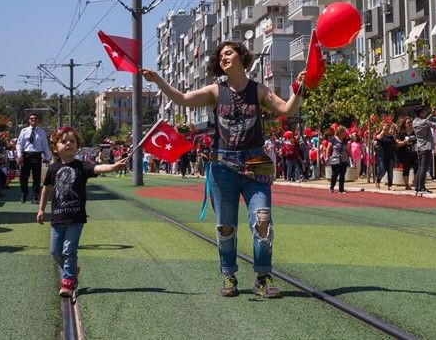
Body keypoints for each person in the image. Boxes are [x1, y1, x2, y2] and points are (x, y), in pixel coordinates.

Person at [141, 40, 306, 299]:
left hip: (256, 163)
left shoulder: (259, 90)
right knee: (225, 227)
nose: (223, 58)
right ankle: (229, 275)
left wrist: (299, 87)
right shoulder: (215, 91)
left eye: (228, 53)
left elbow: (287, 108)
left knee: (262, 221)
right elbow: (183, 99)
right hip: (222, 165)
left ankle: (262, 278)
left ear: (241, 56)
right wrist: (158, 80)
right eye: (220, 57)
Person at [37, 126, 126, 298]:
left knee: (69, 250)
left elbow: (97, 168)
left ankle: (68, 281)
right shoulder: (53, 169)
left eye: (72, 141)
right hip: (57, 217)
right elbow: (46, 189)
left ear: (77, 145)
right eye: (64, 141)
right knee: (55, 251)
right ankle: (73, 269)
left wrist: (113, 167)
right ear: (55, 147)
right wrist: (41, 209)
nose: (68, 144)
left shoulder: (81, 166)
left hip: (76, 218)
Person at [16, 113, 52, 203]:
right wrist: (19, 155)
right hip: (26, 155)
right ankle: (24, 194)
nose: (33, 120)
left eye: (35, 119)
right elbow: (19, 144)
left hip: (36, 156)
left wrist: (48, 157)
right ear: (29, 120)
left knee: (36, 177)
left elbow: (45, 146)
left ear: (38, 121)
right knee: (23, 177)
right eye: (31, 118)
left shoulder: (42, 132)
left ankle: (35, 197)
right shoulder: (24, 131)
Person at [412, 107, 436, 194]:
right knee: (424, 168)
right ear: (420, 114)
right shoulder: (424, 122)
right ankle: (421, 188)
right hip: (426, 147)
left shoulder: (415, 122)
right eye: (424, 112)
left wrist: (432, 114)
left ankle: (417, 187)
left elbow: (426, 120)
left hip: (419, 147)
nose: (425, 114)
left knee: (420, 167)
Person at [326, 125, 351, 194]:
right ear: (340, 132)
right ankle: (332, 187)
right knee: (334, 174)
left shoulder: (345, 140)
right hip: (335, 159)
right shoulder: (333, 139)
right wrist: (327, 157)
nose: (345, 133)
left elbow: (348, 149)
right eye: (343, 132)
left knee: (342, 175)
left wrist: (351, 157)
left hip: (344, 159)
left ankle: (341, 189)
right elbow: (328, 148)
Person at [395, 117, 417, 191]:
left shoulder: (415, 132)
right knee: (406, 169)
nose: (410, 124)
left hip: (414, 153)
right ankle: (407, 185)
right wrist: (404, 142)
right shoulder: (401, 133)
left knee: (417, 167)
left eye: (410, 122)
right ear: (404, 124)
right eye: (408, 122)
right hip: (404, 153)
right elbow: (397, 143)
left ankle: (415, 183)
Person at [375, 122, 397, 191]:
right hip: (381, 156)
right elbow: (378, 137)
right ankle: (377, 180)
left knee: (390, 171)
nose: (387, 126)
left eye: (388, 125)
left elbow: (395, 143)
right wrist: (383, 130)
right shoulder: (379, 134)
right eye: (386, 125)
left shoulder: (391, 136)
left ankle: (390, 186)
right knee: (383, 170)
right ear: (382, 126)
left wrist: (404, 142)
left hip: (390, 156)